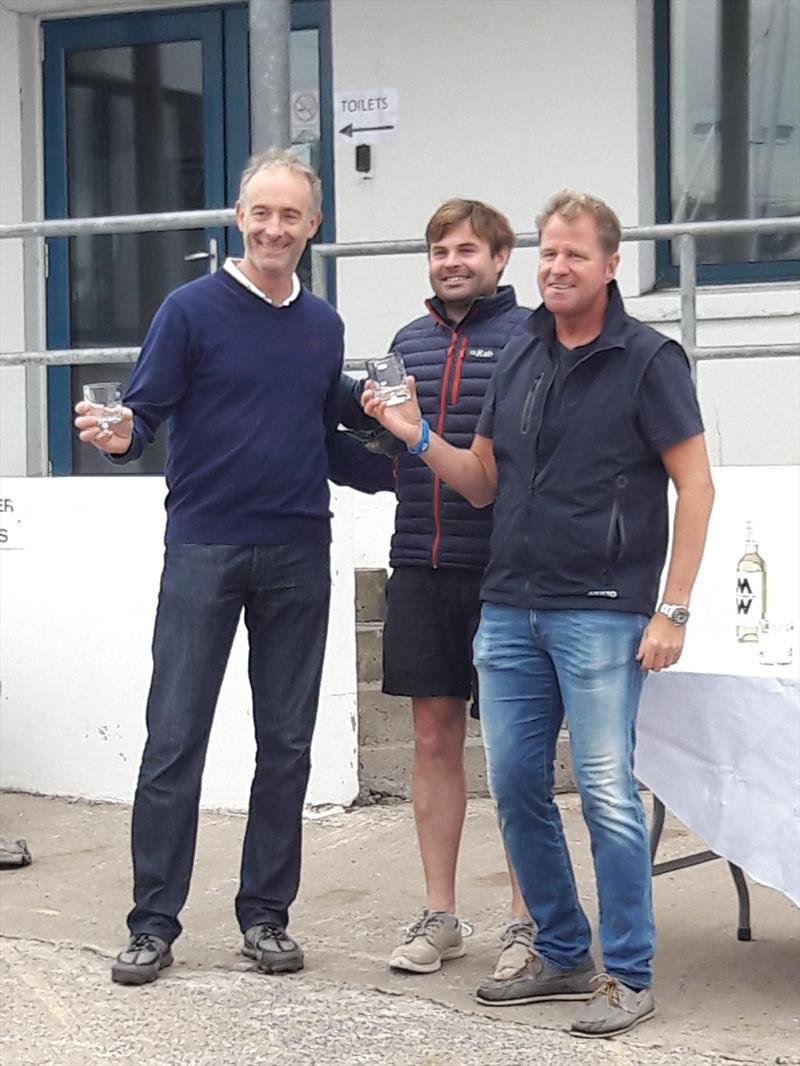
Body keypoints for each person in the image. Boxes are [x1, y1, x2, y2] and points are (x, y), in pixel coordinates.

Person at [362, 189, 714, 1037]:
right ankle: (561, 952)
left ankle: (628, 973)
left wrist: (673, 609)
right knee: (517, 787)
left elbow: (695, 486)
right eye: (550, 253)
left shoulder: (648, 359)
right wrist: (413, 436)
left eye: (575, 256)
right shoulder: (519, 353)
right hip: (508, 607)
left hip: (603, 612)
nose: (559, 267)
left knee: (604, 794)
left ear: (610, 266)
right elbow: (482, 480)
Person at [74, 148, 393, 986]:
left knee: (286, 746)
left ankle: (266, 919)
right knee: (174, 740)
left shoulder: (323, 325)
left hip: (297, 550)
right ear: (238, 217)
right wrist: (118, 441)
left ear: (313, 225)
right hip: (204, 550)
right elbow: (140, 416)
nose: (274, 228)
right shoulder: (189, 310)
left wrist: (407, 468)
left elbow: (323, 434)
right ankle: (151, 925)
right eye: (261, 213)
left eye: (290, 215)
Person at [340, 199, 535, 978]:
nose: (451, 263)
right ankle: (441, 914)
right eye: (438, 251)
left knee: (516, 753)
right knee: (431, 740)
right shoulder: (406, 343)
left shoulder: (530, 337)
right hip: (419, 564)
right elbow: (391, 452)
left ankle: (529, 920)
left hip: (507, 572)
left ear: (499, 260)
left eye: (465, 250)